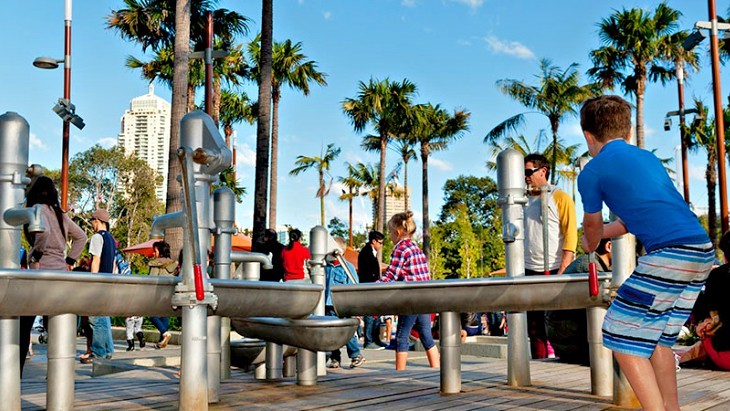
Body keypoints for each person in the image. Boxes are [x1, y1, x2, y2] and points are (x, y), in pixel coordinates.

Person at [578, 95, 714, 411]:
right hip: (700, 249)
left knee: (617, 332)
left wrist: (590, 241)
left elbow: (593, 229)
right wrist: (596, 236)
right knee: (660, 341)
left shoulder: (592, 172)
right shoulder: (648, 159)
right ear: (627, 133)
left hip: (669, 254)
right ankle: (671, 407)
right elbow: (628, 222)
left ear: (588, 136)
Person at [20, 176, 87, 374]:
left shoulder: (36, 210)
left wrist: (36, 254)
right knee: (57, 329)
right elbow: (81, 237)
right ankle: (58, 379)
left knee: (23, 327)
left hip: (42, 273)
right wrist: (69, 261)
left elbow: (43, 233)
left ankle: (15, 375)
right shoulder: (60, 214)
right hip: (60, 275)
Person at [523, 153, 577, 359]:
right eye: (524, 173)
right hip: (529, 270)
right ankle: (538, 365)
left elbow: (571, 234)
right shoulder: (524, 200)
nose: (525, 176)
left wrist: (564, 267)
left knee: (557, 324)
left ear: (543, 171)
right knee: (534, 328)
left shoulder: (560, 197)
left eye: (529, 172)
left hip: (553, 268)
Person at [379, 211, 439, 370]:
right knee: (426, 336)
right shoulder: (416, 248)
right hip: (424, 297)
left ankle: (400, 373)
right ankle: (436, 369)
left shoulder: (400, 249)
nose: (390, 237)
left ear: (397, 232)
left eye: (390, 233)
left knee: (401, 336)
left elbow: (391, 274)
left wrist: (374, 285)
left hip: (411, 297)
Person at [546, 238, 612, 365]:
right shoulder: (590, 268)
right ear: (609, 246)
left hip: (567, 340)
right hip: (573, 345)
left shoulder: (591, 263)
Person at [676, 231, 730, 371]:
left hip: (726, 356)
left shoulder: (717, 276)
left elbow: (709, 320)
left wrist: (705, 323)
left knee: (707, 330)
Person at [81, 208, 117, 364]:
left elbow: (95, 260)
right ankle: (108, 349)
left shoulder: (97, 237)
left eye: (92, 222)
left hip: (99, 281)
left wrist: (92, 281)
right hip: (109, 279)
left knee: (96, 318)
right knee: (104, 317)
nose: (92, 225)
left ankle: (99, 351)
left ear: (97, 221)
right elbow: (114, 263)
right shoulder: (111, 239)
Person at [324, 238, 365, 369]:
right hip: (327, 305)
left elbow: (354, 285)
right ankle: (335, 357)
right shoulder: (325, 267)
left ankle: (355, 354)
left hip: (342, 306)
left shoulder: (348, 268)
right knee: (331, 333)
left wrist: (355, 308)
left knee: (346, 332)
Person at [358, 230, 387, 349]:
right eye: (380, 243)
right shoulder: (366, 253)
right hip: (368, 287)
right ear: (373, 241)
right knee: (370, 315)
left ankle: (376, 338)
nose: (381, 246)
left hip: (373, 287)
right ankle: (369, 340)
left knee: (376, 315)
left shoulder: (371, 252)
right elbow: (367, 273)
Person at [148, 240, 177, 349]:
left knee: (152, 315)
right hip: (169, 294)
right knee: (165, 315)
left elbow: (152, 280)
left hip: (157, 294)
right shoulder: (173, 265)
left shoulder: (156, 264)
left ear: (160, 252)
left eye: (155, 251)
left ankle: (165, 333)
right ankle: (162, 340)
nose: (153, 254)